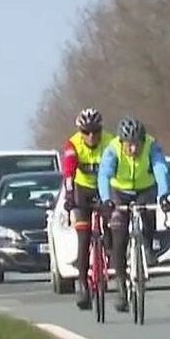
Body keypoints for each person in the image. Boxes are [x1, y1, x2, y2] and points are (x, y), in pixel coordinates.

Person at [97, 116, 170, 312]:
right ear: (122, 142)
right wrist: (106, 200)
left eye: (137, 145)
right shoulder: (112, 149)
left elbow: (160, 169)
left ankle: (148, 248)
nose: (133, 150)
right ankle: (122, 289)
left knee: (146, 212)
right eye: (129, 145)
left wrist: (163, 195)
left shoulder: (151, 145)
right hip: (118, 191)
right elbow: (104, 175)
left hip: (144, 189)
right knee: (119, 238)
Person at [59, 108, 115, 310]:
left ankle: (109, 256)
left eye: (95, 131)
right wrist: (68, 197)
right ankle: (83, 284)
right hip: (82, 191)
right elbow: (68, 173)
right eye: (86, 132)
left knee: (112, 226)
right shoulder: (73, 144)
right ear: (80, 132)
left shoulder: (110, 142)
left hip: (104, 190)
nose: (91, 136)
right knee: (83, 238)